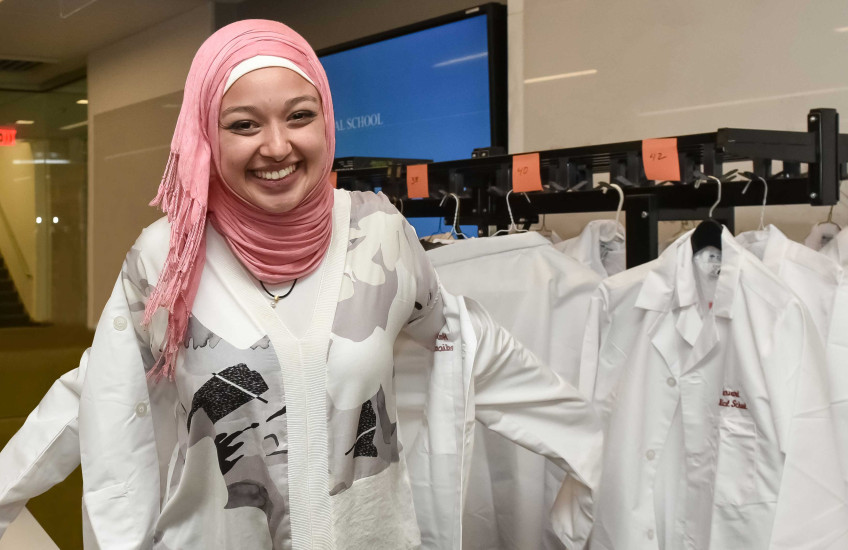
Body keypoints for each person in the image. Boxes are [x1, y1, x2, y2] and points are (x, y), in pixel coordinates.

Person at [0, 20, 602, 549]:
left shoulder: (380, 236)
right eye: (243, 124)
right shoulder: (168, 257)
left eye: (299, 116)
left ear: (327, 121)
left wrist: (589, 442)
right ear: (207, 139)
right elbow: (101, 389)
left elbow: (467, 342)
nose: (278, 146)